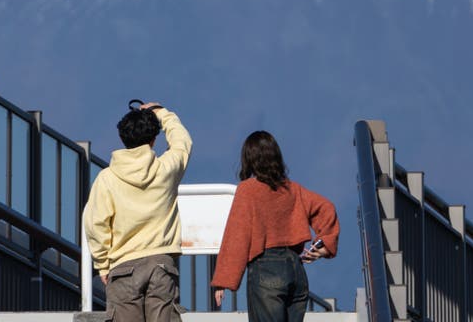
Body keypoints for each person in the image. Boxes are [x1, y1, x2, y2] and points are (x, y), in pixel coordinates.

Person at [210, 130, 339, 322]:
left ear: (249, 158)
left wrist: (223, 280)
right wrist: (324, 246)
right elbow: (326, 208)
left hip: (266, 269)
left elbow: (237, 235)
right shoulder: (292, 189)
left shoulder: (248, 190)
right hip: (296, 271)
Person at [82, 101, 193, 322]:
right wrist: (160, 113)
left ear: (123, 138)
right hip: (161, 264)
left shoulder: (107, 178)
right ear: (153, 139)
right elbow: (182, 141)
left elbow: (95, 224)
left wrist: (103, 265)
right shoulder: (165, 169)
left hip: (122, 267)